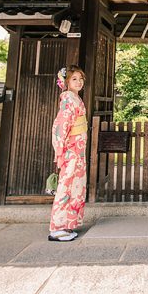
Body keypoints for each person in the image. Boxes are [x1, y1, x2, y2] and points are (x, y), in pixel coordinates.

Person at [48, 65, 88, 242]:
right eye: (74, 79)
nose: (78, 82)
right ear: (65, 82)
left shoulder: (75, 98)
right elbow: (60, 126)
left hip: (77, 149)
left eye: (80, 79)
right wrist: (60, 150)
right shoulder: (67, 99)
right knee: (66, 186)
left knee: (76, 186)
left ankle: (68, 224)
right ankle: (57, 228)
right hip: (71, 149)